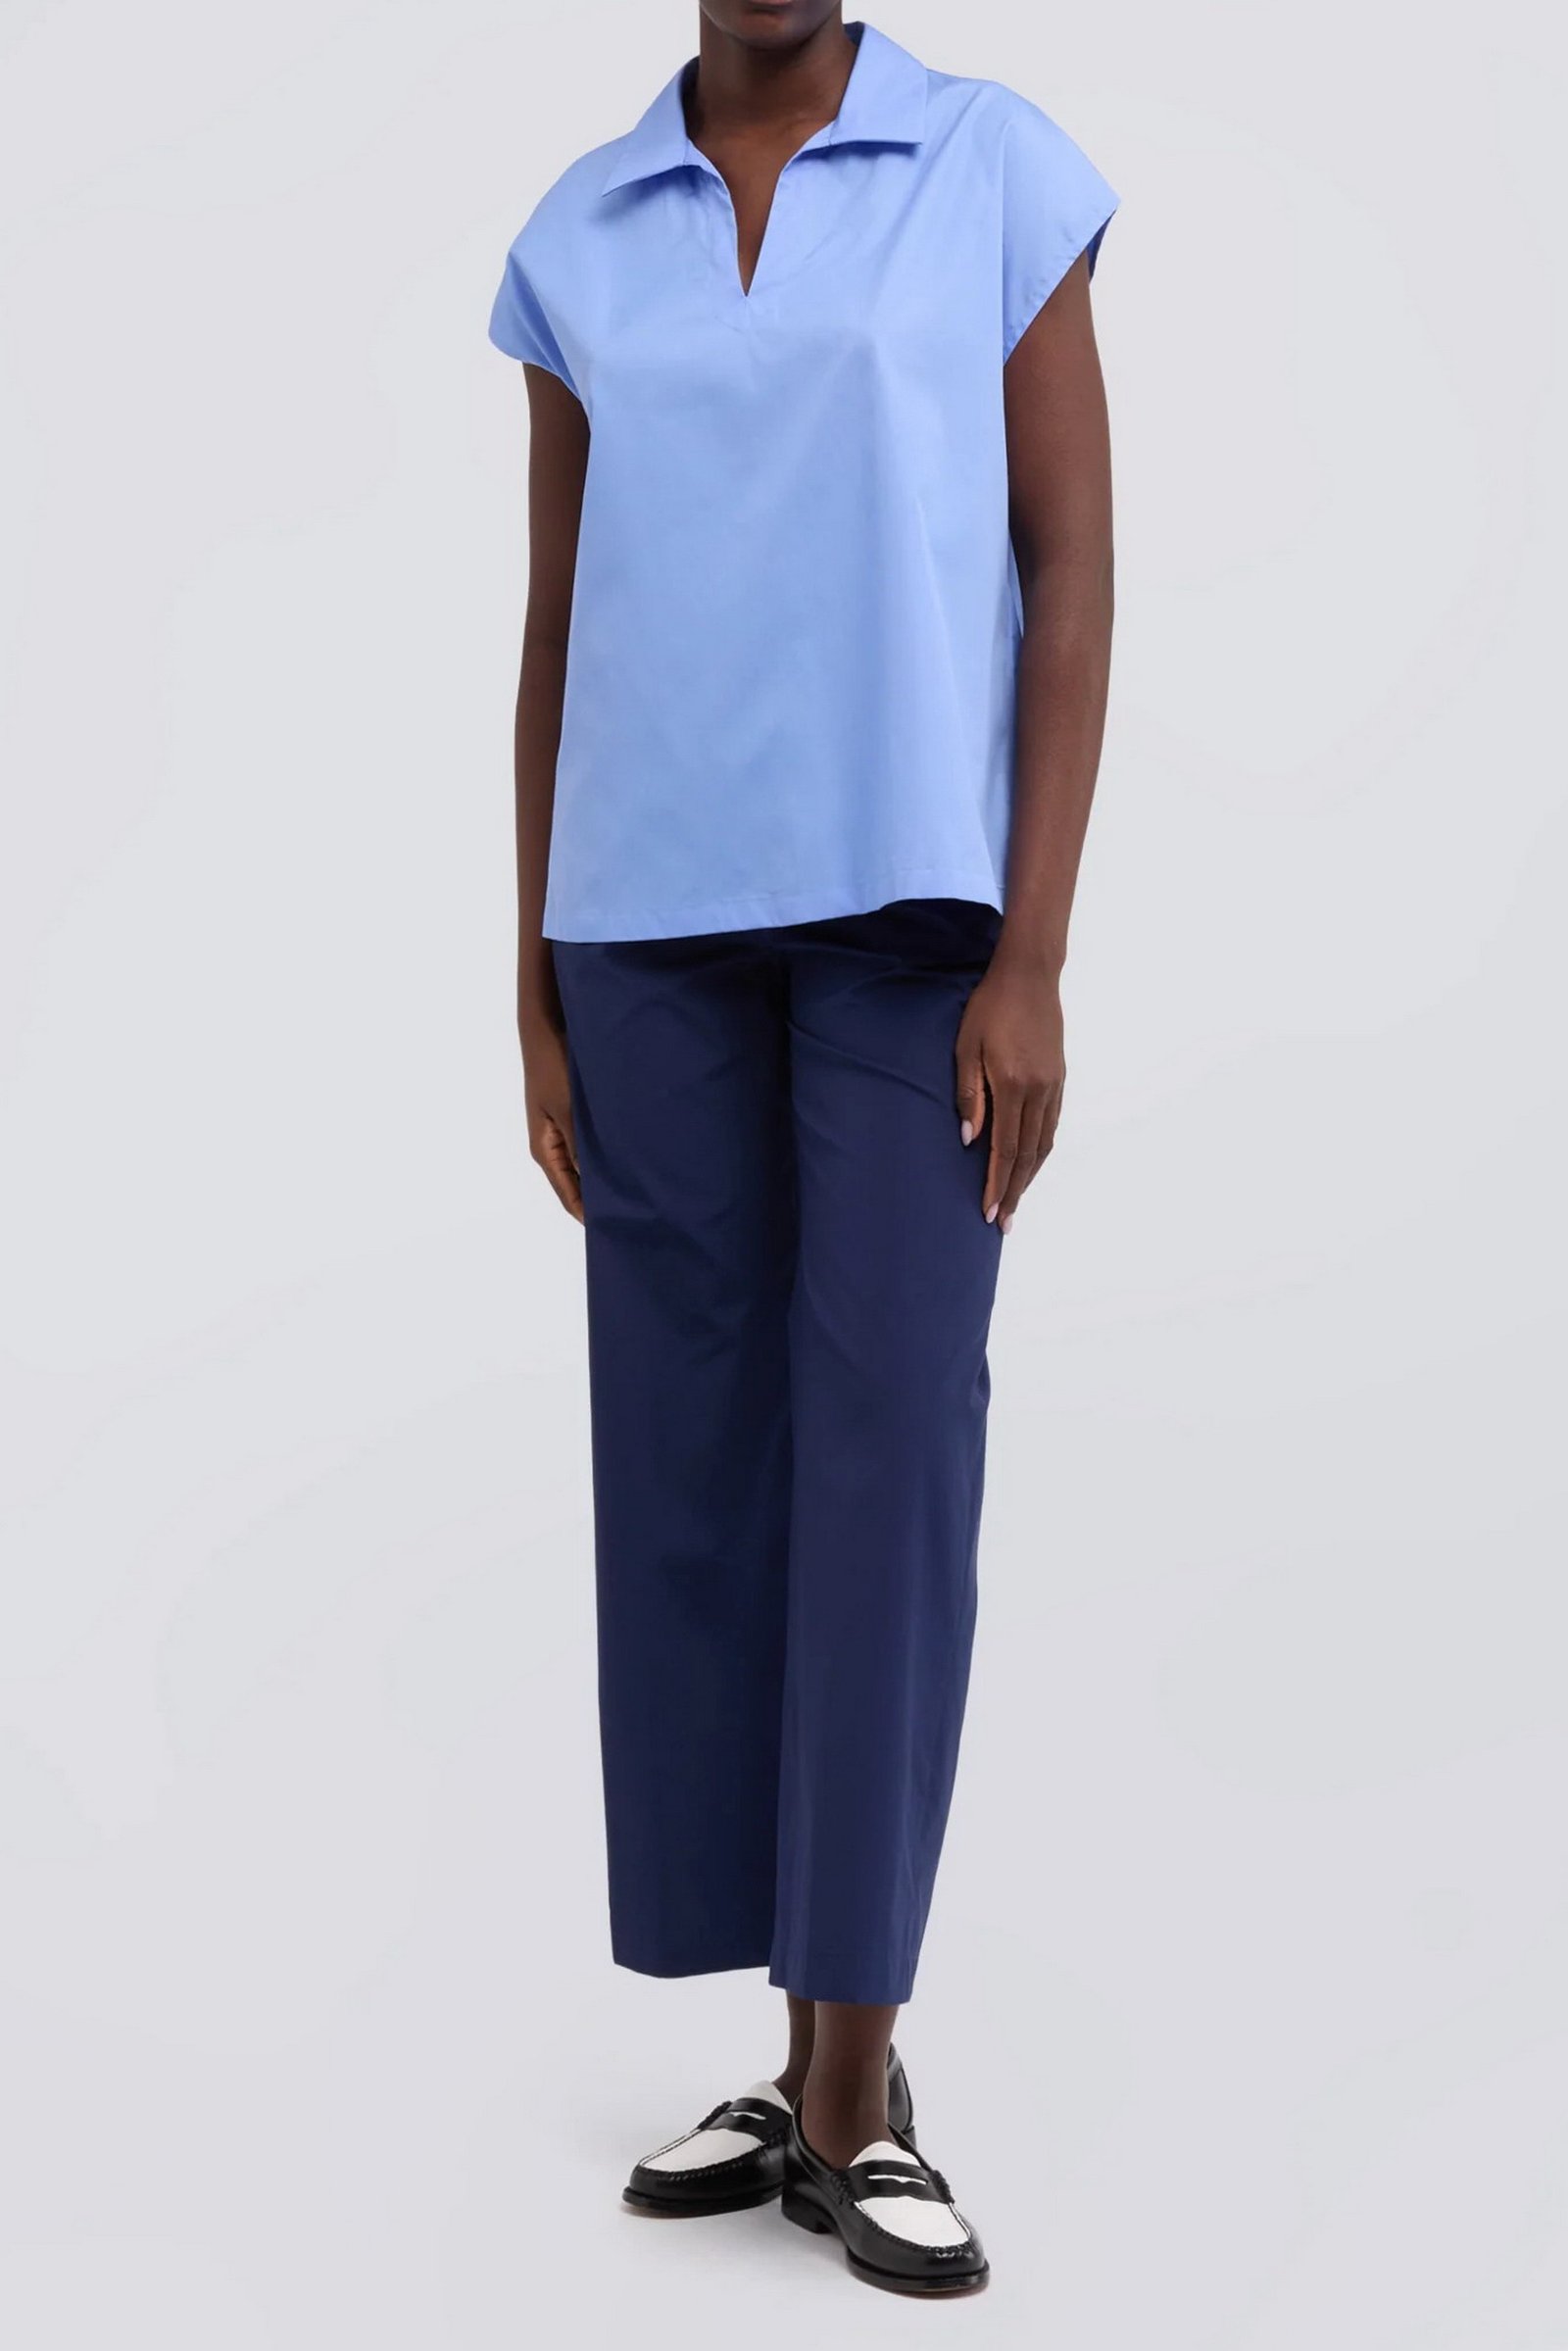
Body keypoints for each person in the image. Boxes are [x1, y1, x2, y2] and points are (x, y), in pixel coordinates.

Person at [487, 4, 1115, 2298]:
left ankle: (854, 2076)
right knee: (694, 1467)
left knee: (887, 1446)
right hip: (643, 936)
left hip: (909, 934)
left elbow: (1068, 570)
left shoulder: (989, 170)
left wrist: (1031, 951)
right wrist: (532, 972)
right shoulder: (581, 232)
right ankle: (790, 2055)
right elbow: (560, 618)